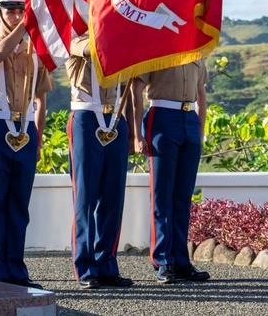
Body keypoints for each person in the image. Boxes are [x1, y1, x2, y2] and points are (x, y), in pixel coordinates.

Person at [0, 0, 52, 288]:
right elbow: (0, 53)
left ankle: (17, 272)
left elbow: (42, 98)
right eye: (11, 11)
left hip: (26, 129)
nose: (18, 16)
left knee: (19, 205)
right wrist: (27, 24)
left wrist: (38, 137)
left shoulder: (34, 50)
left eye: (22, 10)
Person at [65, 33, 136, 289]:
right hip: (86, 117)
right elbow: (93, 50)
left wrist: (131, 132)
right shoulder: (76, 40)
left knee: (113, 198)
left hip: (116, 117)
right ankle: (85, 266)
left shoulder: (120, 38)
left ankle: (107, 263)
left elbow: (126, 91)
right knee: (85, 197)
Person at [132, 60, 210, 284]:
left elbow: (200, 93)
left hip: (189, 121)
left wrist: (200, 131)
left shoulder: (197, 54)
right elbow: (136, 89)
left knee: (183, 197)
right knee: (162, 195)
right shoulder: (156, 50)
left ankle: (181, 262)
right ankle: (163, 260)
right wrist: (137, 134)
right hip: (162, 117)